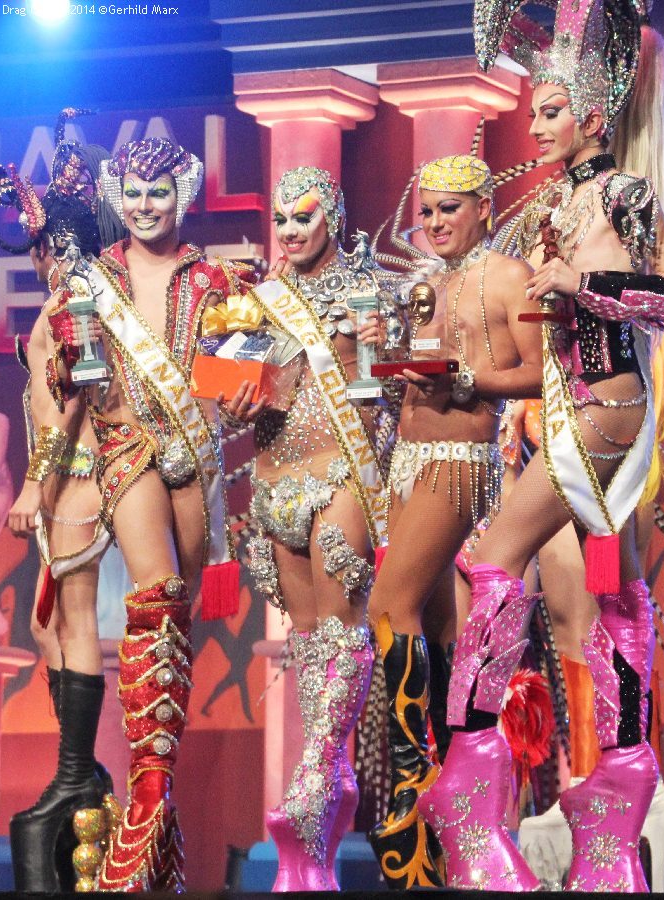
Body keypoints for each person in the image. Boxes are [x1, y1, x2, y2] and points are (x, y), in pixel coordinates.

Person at [419, 0, 664, 891]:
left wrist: (585, 283)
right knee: (615, 594)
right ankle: (617, 804)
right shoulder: (557, 201)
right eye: (532, 111)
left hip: (606, 412)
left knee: (491, 561)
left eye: (550, 111)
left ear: (593, 116)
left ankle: (468, 777)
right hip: (571, 410)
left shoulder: (621, 194)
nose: (531, 126)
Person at [48, 137, 250, 891]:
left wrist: (242, 383)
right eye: (132, 192)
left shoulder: (216, 278)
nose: (143, 206)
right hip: (126, 449)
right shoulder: (91, 278)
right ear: (117, 196)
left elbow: (241, 379)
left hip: (194, 456)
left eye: (157, 192)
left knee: (178, 624)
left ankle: (156, 806)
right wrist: (65, 354)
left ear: (181, 196)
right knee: (155, 599)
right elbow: (63, 380)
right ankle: (148, 802)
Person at [359, 154, 543, 889]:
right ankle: (442, 809)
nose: (434, 222)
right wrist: (382, 362)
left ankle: (413, 789)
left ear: (482, 208)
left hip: (457, 462)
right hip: (407, 459)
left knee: (387, 606)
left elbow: (541, 370)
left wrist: (469, 381)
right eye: (427, 211)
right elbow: (405, 381)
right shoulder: (423, 283)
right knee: (436, 628)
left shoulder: (508, 276)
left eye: (449, 208)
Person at [222, 166, 404, 891]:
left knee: (342, 628)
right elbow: (231, 399)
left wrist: (382, 344)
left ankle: (315, 773)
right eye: (281, 219)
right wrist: (230, 399)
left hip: (341, 470)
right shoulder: (255, 301)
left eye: (304, 216)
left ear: (332, 214)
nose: (291, 230)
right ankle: (324, 816)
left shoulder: (370, 287)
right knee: (306, 641)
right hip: (273, 480)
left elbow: (398, 387)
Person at [0, 110, 125, 892]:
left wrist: (33, 487)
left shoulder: (74, 302)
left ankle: (76, 774)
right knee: (49, 622)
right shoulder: (66, 301)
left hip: (74, 475)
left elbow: (74, 404)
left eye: (40, 244)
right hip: (63, 476)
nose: (35, 255)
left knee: (72, 619)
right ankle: (76, 770)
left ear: (61, 244)